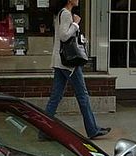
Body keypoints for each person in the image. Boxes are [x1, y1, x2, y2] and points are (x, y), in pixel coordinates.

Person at [45, 0, 110, 140]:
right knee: (82, 95)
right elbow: (64, 36)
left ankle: (43, 130)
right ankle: (92, 130)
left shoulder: (61, 13)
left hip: (60, 62)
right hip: (69, 64)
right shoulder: (66, 14)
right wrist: (75, 24)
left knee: (55, 98)